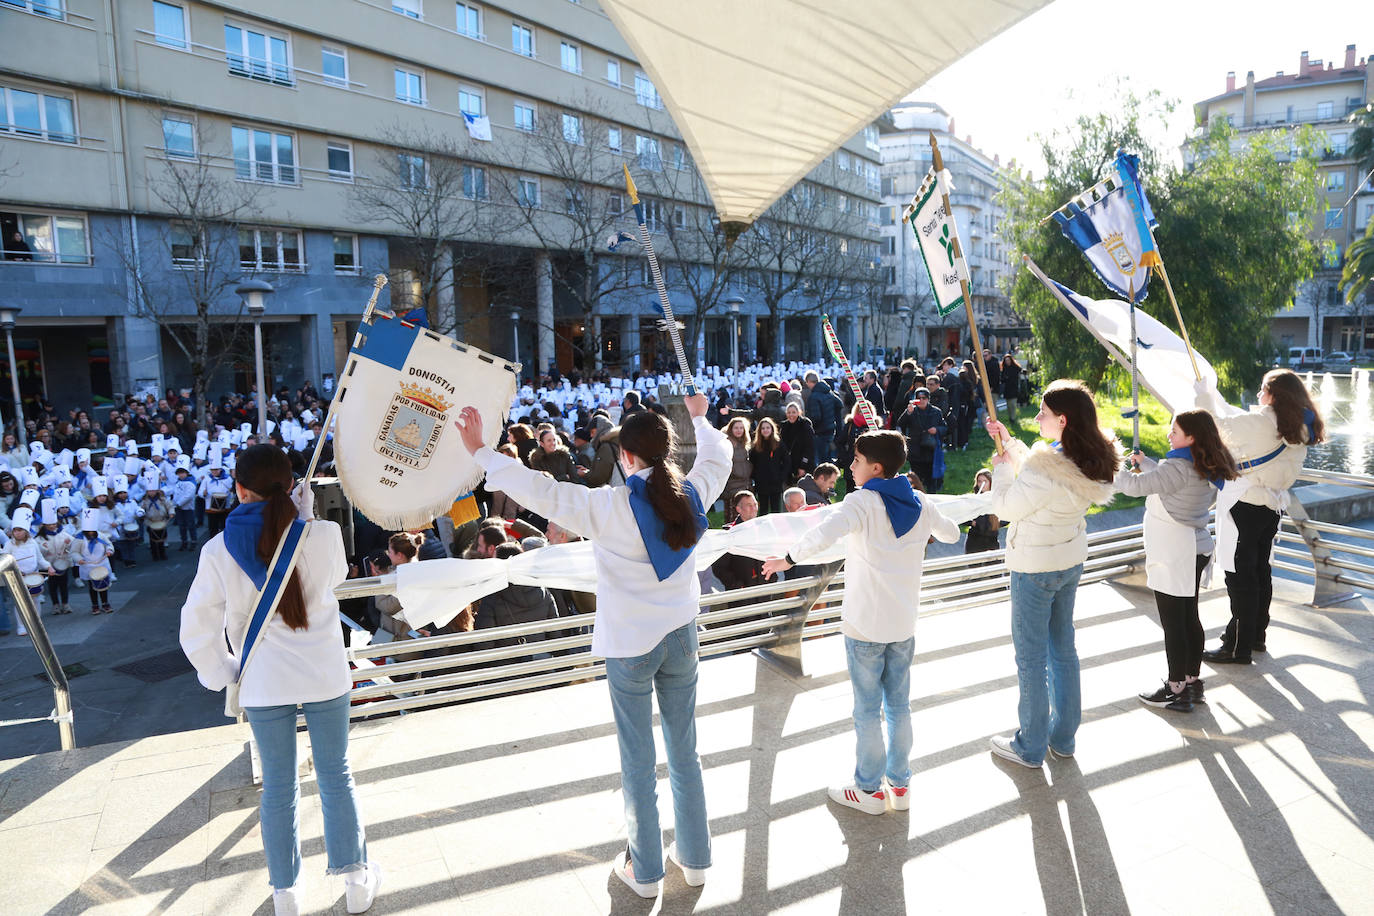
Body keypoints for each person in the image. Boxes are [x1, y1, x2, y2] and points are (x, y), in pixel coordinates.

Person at [456, 392, 730, 898]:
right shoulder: (692, 493)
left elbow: (542, 491)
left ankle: (645, 873)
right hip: (684, 634)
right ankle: (696, 862)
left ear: (626, 458)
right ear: (667, 451)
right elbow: (719, 457)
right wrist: (700, 418)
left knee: (637, 760)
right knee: (684, 751)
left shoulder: (608, 506)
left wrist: (481, 452)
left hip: (631, 645)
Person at [179, 445, 381, 915]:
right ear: (293, 486)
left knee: (278, 786)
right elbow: (328, 578)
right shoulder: (325, 534)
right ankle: (354, 881)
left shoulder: (217, 549)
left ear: (239, 488)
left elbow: (197, 627)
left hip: (264, 683)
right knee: (336, 775)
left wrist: (224, 672)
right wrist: (307, 519)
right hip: (326, 676)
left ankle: (285, 892)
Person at [762, 430, 959, 813]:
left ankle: (868, 789)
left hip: (865, 624)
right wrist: (923, 504)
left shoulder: (862, 502)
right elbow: (951, 533)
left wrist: (787, 558)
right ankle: (900, 787)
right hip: (904, 624)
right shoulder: (917, 500)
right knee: (899, 706)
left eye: (856, 460)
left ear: (876, 467)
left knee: (868, 709)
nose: (850, 467)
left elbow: (822, 534)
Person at [983, 380, 1119, 767]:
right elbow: (1043, 473)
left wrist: (1000, 470)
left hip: (1034, 568)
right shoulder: (1089, 457)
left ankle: (1029, 745)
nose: (1037, 417)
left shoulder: (1047, 470)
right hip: (1068, 561)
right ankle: (1063, 738)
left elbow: (1009, 506)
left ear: (1062, 419)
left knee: (1030, 659)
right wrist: (1010, 444)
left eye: (1042, 413)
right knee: (1063, 652)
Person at [1196, 369, 1324, 663]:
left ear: (1274, 394)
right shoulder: (1299, 426)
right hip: (1270, 508)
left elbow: (1213, 426)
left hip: (1243, 504)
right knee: (1260, 572)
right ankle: (1255, 636)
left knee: (1240, 577)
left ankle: (1236, 646)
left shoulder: (1261, 423)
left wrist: (1203, 395)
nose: (1258, 395)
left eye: (1262, 389)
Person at [1116, 410, 1238, 711]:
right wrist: (1146, 464)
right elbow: (1170, 480)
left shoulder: (1178, 466)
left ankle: (1175, 689)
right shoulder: (1203, 463)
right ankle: (1192, 682)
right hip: (1194, 549)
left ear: (1191, 437)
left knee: (1174, 623)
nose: (1169, 435)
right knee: (1188, 617)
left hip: (1174, 553)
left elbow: (1133, 487)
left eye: (1175, 431)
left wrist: (1108, 465)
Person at [711, 491, 764, 591]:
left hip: (764, 589)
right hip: (741, 593)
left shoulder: (763, 528)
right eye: (749, 505)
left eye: (755, 504)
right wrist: (737, 586)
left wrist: (772, 579)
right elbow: (719, 568)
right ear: (738, 509)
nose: (754, 508)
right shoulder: (729, 534)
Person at [897, 388, 946, 493]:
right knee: (916, 478)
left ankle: (932, 496)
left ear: (928, 399)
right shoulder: (912, 411)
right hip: (915, 449)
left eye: (924, 398)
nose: (921, 400)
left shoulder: (936, 412)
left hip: (930, 449)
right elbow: (901, 423)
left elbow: (945, 428)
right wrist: (908, 413)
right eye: (919, 398)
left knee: (931, 478)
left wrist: (936, 430)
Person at [748, 417, 789, 515]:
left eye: (768, 428)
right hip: (761, 483)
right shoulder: (755, 446)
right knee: (763, 509)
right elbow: (752, 462)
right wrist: (755, 476)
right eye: (763, 428)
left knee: (776, 509)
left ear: (772, 429)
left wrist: (781, 477)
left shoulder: (779, 444)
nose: (765, 430)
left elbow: (787, 461)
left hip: (776, 482)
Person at [804, 371, 844, 466]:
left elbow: (816, 417)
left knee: (821, 460)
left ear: (809, 382)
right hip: (830, 429)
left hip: (820, 431)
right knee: (827, 457)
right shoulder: (828, 392)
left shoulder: (814, 396)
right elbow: (839, 404)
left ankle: (824, 478)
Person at [963, 469, 1001, 554]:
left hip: (991, 540)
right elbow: (961, 515)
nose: (982, 484)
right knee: (974, 566)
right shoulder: (973, 499)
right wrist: (971, 522)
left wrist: (999, 523)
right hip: (974, 540)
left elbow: (1008, 514)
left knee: (993, 566)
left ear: (991, 482)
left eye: (985, 481)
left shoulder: (997, 498)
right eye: (979, 481)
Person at [780, 402, 816, 484]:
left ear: (799, 412)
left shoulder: (805, 426)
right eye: (789, 412)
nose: (791, 415)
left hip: (803, 464)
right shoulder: (784, 427)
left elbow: (809, 448)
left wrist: (803, 466)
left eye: (793, 412)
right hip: (789, 465)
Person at [722, 418, 753, 507]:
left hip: (745, 484)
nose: (739, 430)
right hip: (732, 486)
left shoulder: (746, 444)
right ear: (731, 429)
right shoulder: (726, 444)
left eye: (741, 428)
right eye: (736, 428)